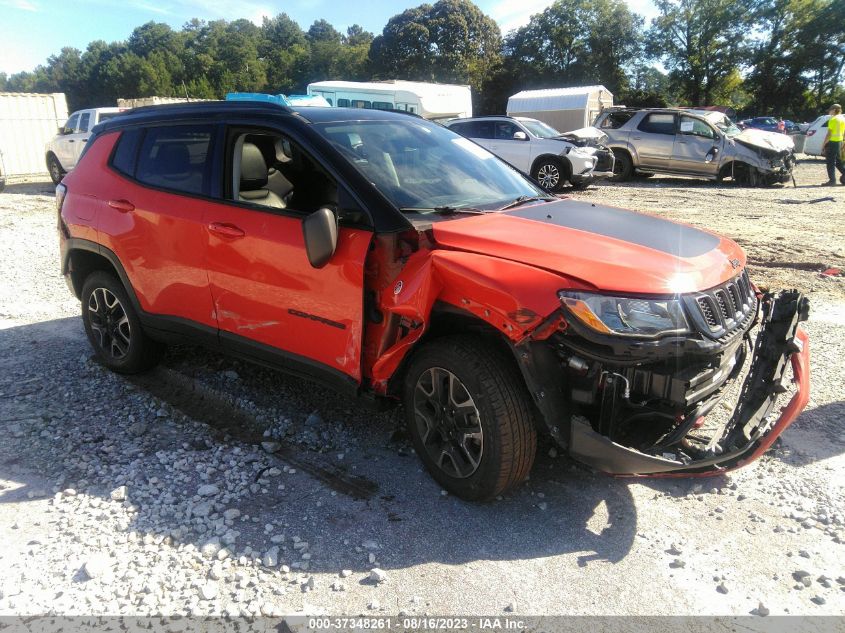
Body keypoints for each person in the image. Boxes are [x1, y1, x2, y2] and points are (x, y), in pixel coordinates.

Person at [821, 103, 845, 186]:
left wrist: (823, 144)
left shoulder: (833, 119)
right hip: (839, 141)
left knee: (830, 162)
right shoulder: (842, 118)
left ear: (834, 110)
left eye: (830, 110)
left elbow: (829, 134)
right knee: (838, 161)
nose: (829, 112)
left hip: (832, 142)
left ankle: (832, 181)